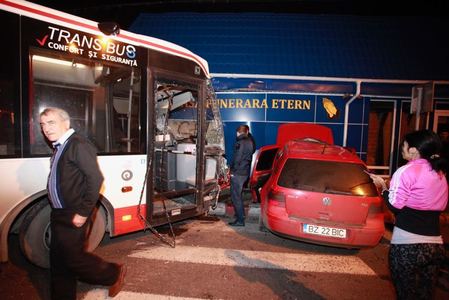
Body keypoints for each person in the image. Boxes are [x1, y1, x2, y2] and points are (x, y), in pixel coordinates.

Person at [39, 107, 126, 299]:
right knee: (59, 262)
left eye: (51, 122)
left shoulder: (78, 145)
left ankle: (112, 273)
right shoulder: (60, 146)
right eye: (43, 124)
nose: (46, 128)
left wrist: (84, 212)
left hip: (74, 213)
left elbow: (95, 180)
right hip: (59, 213)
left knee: (73, 259)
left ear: (66, 123)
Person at [369, 129, 448, 300]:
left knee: (406, 294)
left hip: (408, 245)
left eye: (403, 145)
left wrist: (383, 188)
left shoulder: (405, 172)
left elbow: (395, 205)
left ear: (413, 150)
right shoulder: (440, 173)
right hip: (434, 247)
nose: (401, 149)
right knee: (425, 295)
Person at [228, 125, 254, 226]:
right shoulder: (250, 141)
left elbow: (237, 159)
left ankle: (240, 220)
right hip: (245, 172)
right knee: (238, 195)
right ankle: (240, 215)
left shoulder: (240, 142)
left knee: (236, 197)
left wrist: (232, 171)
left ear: (238, 132)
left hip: (238, 173)